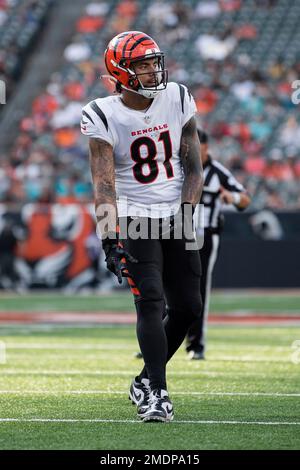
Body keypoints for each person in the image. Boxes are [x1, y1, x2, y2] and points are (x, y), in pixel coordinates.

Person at [81, 31, 203, 422]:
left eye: (154, 62)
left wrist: (186, 212)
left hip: (176, 214)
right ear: (121, 71)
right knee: (150, 302)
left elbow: (194, 166)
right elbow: (104, 182)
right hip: (134, 216)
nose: (152, 71)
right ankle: (158, 393)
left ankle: (143, 379)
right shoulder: (101, 113)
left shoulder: (179, 97)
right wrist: (108, 236)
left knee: (188, 307)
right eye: (142, 65)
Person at [186, 130, 251, 359]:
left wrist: (231, 198)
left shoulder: (218, 173)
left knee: (200, 288)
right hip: (178, 234)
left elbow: (245, 199)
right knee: (169, 286)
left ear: (205, 147)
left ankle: (196, 345)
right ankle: (158, 340)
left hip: (206, 236)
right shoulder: (177, 166)